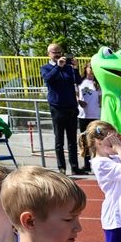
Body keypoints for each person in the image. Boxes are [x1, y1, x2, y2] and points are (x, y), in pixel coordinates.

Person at [40, 43, 83, 175]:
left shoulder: (68, 68)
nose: (58, 54)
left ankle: (75, 167)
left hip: (71, 106)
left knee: (72, 140)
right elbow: (48, 79)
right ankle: (61, 168)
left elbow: (78, 81)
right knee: (59, 139)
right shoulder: (46, 68)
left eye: (59, 51)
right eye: (54, 52)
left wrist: (75, 68)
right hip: (57, 107)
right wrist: (58, 67)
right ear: (49, 54)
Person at [77, 65, 101, 173]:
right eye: (89, 67)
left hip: (95, 114)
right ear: (85, 69)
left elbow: (100, 97)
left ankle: (97, 162)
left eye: (93, 67)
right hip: (83, 115)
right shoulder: (81, 82)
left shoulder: (98, 82)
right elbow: (76, 94)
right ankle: (87, 164)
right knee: (85, 140)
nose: (91, 69)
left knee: (96, 140)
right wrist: (79, 101)